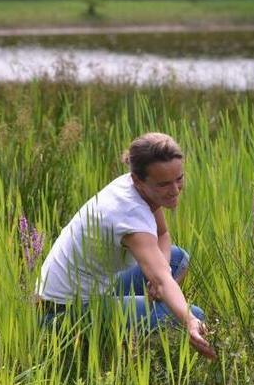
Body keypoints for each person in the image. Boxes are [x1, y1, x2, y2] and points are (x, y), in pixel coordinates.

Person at [36, 132, 215, 359]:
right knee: (193, 314)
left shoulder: (137, 187)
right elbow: (162, 280)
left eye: (178, 178)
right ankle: (109, 350)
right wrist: (189, 320)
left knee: (177, 258)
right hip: (63, 313)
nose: (175, 189)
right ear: (138, 180)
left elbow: (163, 234)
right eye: (163, 184)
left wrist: (160, 274)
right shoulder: (129, 213)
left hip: (96, 289)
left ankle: (128, 334)